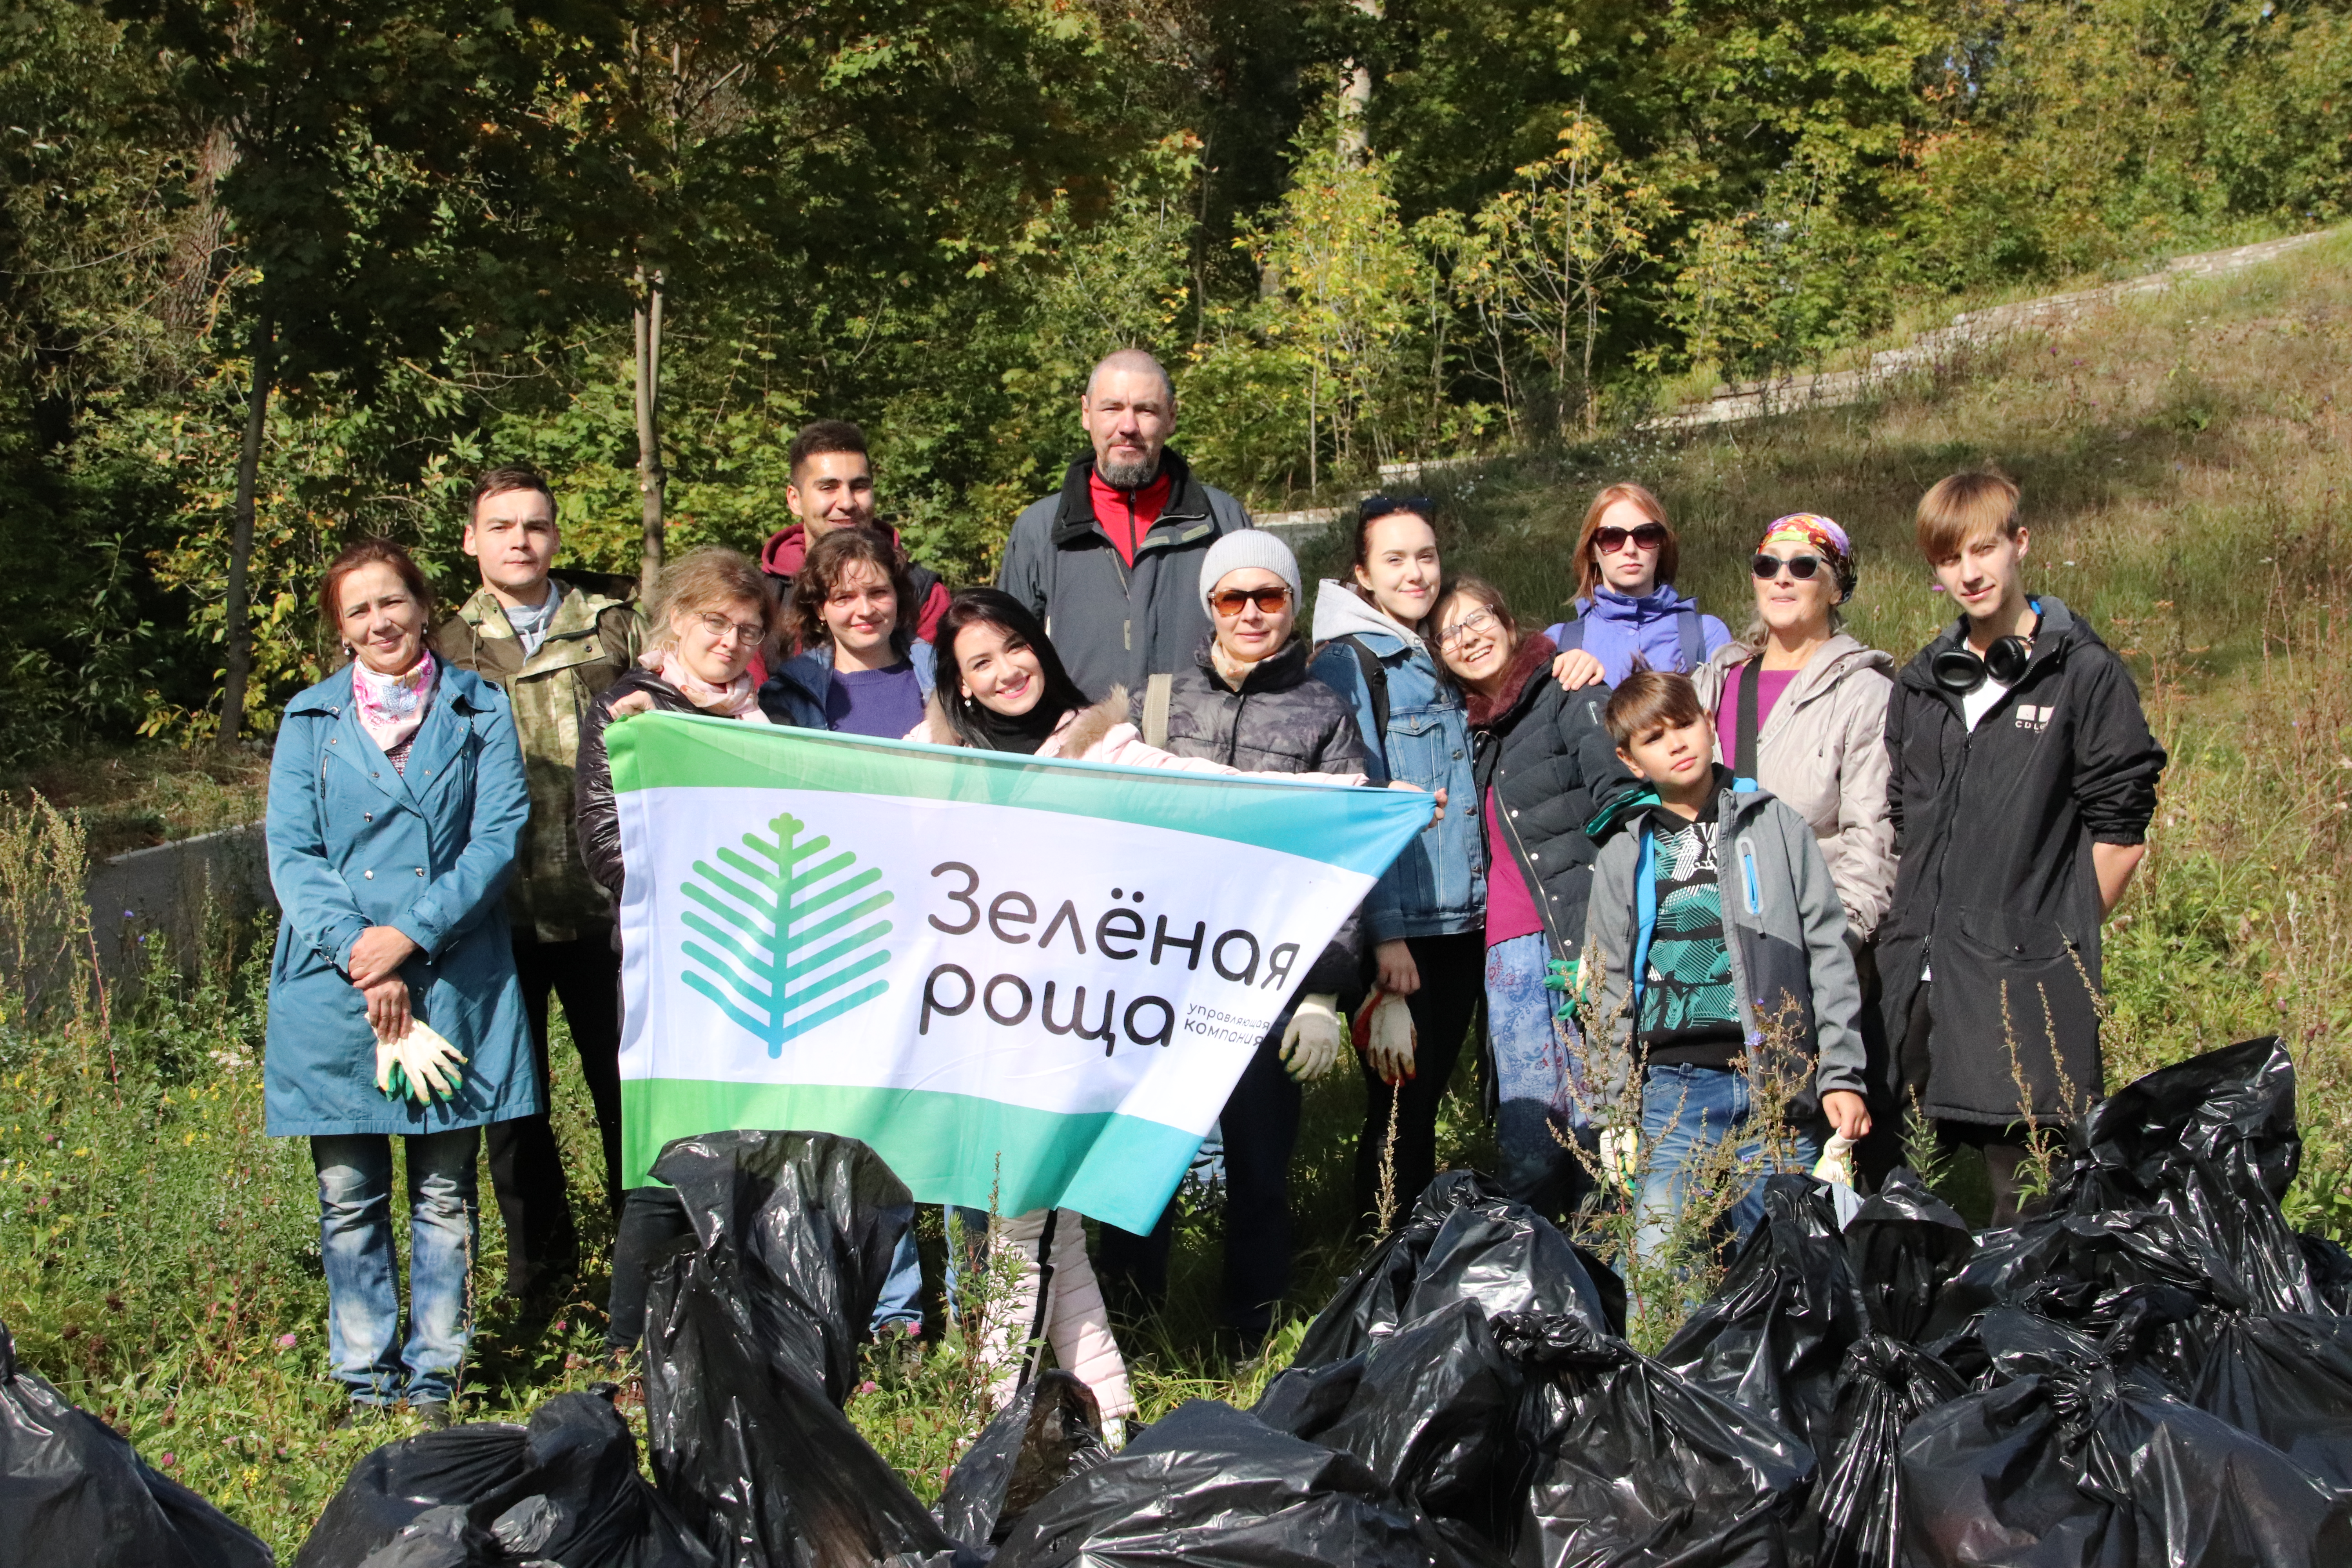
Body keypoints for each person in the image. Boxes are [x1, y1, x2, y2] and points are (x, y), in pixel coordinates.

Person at [910, 587, 1369, 1429]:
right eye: (981, 661)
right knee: (1056, 1239)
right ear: (961, 686)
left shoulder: (1105, 744)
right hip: (974, 1028)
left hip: (1069, 1029)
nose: (1007, 669)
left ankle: (990, 1432)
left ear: (1042, 651)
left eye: (1016, 646)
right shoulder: (928, 762)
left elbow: (1219, 793)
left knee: (1022, 1232)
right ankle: (1107, 1420)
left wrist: (1361, 805)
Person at [264, 539, 535, 1422]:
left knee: (446, 1190)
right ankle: (362, 1376)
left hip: (453, 971)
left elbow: (498, 836)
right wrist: (361, 950)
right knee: (348, 1195)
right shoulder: (309, 721)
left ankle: (435, 1377)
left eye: (394, 602)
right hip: (335, 981)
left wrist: (407, 937)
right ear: (340, 630)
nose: (381, 621)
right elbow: (294, 853)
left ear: (424, 606)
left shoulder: (479, 707)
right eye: (359, 610)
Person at [1093, 530, 1367, 1345]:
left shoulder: (1324, 712)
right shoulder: (1155, 701)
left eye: (1270, 596)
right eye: (1232, 598)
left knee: (1259, 1163)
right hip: (1162, 970)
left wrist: (1324, 992)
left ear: (1293, 605)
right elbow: (1110, 825)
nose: (1251, 613)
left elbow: (1343, 853)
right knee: (1141, 1161)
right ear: (1209, 606)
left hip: (1267, 977)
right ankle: (1133, 1325)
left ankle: (1252, 1331)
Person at [1877, 472, 2166, 1225]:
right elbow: (1907, 819)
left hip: (2026, 988)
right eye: (1949, 559)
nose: (1969, 572)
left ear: (2020, 544)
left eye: (1984, 549)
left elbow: (2122, 834)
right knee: (1896, 1191)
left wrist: (2052, 938)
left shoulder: (2084, 674)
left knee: (2030, 1205)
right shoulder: (1921, 683)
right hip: (1918, 978)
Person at [430, 463, 641, 1302]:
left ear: (557, 535)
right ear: (472, 540)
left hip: (610, 905)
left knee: (628, 1092)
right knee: (515, 1109)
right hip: (497, 914)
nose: (521, 539)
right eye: (503, 525)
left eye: (537, 525)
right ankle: (541, 1278)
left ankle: (648, 1261)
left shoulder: (614, 625)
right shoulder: (444, 646)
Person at [1581, 671, 1871, 1265]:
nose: (1677, 743)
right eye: (1654, 739)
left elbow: (1829, 952)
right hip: (1674, 1096)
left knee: (1790, 1269)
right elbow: (1606, 986)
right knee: (1661, 1265)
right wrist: (1614, 1114)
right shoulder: (1622, 853)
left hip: (1779, 1091)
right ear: (1631, 762)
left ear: (1710, 723)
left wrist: (1842, 1074)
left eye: (1685, 724)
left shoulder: (1776, 826)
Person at [573, 547, 780, 1353]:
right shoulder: (630, 710)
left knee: (750, 1153)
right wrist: (718, 890)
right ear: (676, 620)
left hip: (763, 961)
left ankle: (730, 1338)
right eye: (714, 623)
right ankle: (632, 1349)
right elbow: (606, 845)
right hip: (675, 963)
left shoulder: (761, 716)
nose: (729, 642)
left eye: (748, 629)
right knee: (669, 1160)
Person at [1690, 513, 1900, 1183]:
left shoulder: (1865, 693)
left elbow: (1874, 841)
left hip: (1804, 957)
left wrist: (1835, 946)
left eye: (1803, 567)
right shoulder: (1714, 681)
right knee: (1704, 1156)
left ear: (1836, 587)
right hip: (1705, 950)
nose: (1782, 579)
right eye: (1767, 565)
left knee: (1793, 1160)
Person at [1430, 576, 1634, 1222]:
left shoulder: (1567, 688)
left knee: (1605, 1125)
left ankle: (1622, 1287)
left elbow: (1621, 800)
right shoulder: (1465, 732)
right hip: (1507, 958)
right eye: (1450, 632)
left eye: (1478, 619)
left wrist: (1620, 926)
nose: (1469, 638)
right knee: (1532, 1140)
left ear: (1506, 618)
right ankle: (1541, 1286)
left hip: (1580, 937)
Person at [1309, 495, 1481, 1233]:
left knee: (1426, 1099)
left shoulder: (1431, 649)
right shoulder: (1353, 664)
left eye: (1427, 555)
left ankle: (1410, 1249)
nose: (1416, 572)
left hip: (1461, 915)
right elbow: (1359, 806)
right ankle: (1383, 1260)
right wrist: (1384, 941)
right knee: (1402, 1109)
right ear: (1362, 574)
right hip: (1408, 931)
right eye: (1395, 559)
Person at [996, 349, 1254, 701]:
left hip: (1199, 746)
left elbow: (1264, 647)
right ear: (1087, 414)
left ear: (1172, 417)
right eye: (1112, 408)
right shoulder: (1038, 532)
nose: (1128, 426)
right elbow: (1005, 659)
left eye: (1145, 410)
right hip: (1083, 746)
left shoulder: (1223, 521)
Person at [757, 420, 952, 646]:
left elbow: (940, 678)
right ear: (794, 500)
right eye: (828, 488)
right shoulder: (762, 596)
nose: (847, 503)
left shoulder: (923, 594)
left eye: (859, 486)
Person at [1546, 483, 1732, 690]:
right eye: (1612, 537)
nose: (1630, 549)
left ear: (1662, 546)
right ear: (1591, 551)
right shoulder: (1557, 645)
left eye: (1646, 535)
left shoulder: (1706, 636)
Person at [761, 526, 938, 736]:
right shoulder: (790, 695)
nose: (865, 610)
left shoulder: (944, 677)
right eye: (844, 598)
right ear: (820, 608)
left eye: (878, 593)